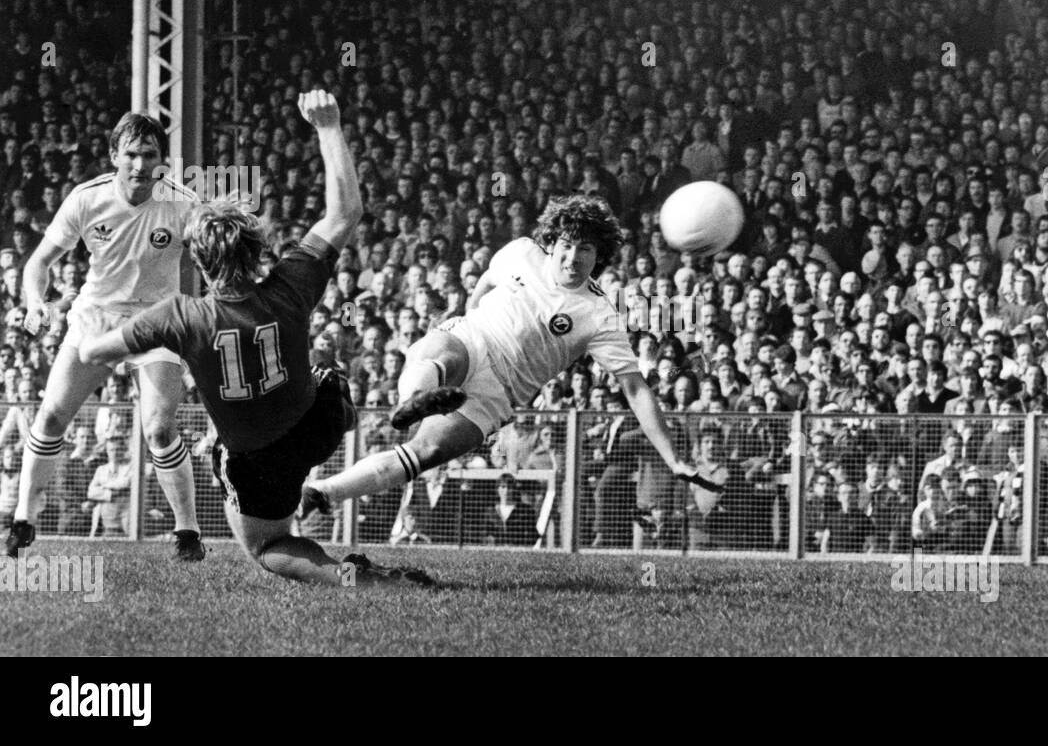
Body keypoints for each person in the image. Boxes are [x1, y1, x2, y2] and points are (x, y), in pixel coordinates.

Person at [81, 91, 425, 587]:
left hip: (258, 457)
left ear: (197, 261)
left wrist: (90, 319)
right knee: (329, 377)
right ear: (258, 248)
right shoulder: (290, 283)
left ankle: (351, 579)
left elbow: (95, 351)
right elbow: (346, 211)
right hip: (317, 424)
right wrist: (328, 126)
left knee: (267, 547)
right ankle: (343, 418)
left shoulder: (180, 316)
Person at [299, 194, 721, 528]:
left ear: (600, 256)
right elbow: (481, 289)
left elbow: (635, 389)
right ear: (551, 243)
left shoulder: (599, 314)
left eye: (585, 250)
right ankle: (415, 400)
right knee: (444, 355)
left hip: (499, 393)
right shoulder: (521, 252)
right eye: (566, 246)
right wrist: (467, 315)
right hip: (476, 339)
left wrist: (673, 458)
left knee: (423, 452)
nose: (572, 258)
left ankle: (323, 492)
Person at [5, 111, 204, 561]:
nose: (139, 165)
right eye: (130, 154)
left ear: (162, 161)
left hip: (155, 323)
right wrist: (37, 303)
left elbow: (208, 260)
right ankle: (22, 520)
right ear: (114, 155)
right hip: (95, 317)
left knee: (158, 427)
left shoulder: (183, 203)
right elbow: (38, 263)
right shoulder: (85, 198)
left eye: (149, 155)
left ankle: (187, 533)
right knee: (53, 415)